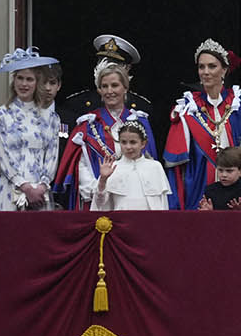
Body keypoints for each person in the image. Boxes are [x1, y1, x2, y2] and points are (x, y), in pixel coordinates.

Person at [53, 59, 168, 209]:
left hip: (135, 200)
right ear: (99, 90)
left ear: (125, 88)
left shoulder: (140, 121)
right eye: (104, 86)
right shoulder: (88, 125)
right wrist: (98, 189)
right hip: (98, 201)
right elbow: (81, 166)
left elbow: (148, 163)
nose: (109, 91)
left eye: (115, 85)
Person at [164, 40, 241, 212]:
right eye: (201, 67)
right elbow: (178, 164)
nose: (206, 72)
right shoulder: (189, 106)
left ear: (224, 70)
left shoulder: (240, 102)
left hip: (235, 187)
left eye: (212, 66)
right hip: (200, 184)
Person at [0, 46, 64, 211]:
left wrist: (41, 187)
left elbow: (52, 156)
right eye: (20, 78)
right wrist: (24, 186)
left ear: (37, 82)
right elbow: (1, 156)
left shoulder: (51, 117)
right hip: (10, 190)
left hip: (40, 192)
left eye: (29, 79)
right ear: (13, 81)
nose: (24, 84)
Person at [57, 34, 154, 126]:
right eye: (103, 62)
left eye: (114, 65)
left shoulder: (142, 108)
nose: (107, 68)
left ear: (128, 68)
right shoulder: (76, 104)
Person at [90, 120, 172, 211]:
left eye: (133, 142)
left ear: (143, 143)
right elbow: (100, 204)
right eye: (124, 142)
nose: (128, 147)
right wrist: (103, 180)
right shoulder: (113, 167)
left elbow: (163, 204)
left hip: (149, 222)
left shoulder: (155, 167)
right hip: (121, 222)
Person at [199, 146, 241, 210]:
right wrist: (209, 212)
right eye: (220, 170)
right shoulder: (210, 190)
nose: (224, 175)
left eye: (229, 171)